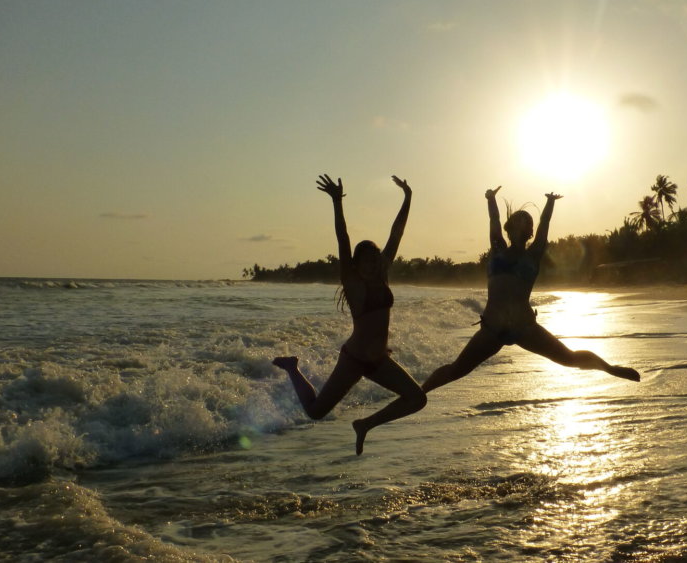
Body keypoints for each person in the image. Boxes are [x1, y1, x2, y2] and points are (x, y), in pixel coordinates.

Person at [421, 186, 640, 394]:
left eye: (528, 223)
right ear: (510, 227)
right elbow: (494, 220)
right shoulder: (497, 248)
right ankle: (419, 393)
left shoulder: (533, 254)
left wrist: (550, 202)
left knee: (569, 358)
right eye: (520, 220)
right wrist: (491, 199)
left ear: (530, 231)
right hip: (491, 329)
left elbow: (545, 223)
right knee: (456, 370)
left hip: (525, 327)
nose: (524, 224)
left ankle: (609, 368)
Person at [272, 174, 426, 455]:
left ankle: (365, 424)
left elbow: (397, 232)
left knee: (417, 398)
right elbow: (342, 237)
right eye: (364, 261)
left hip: (379, 360)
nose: (370, 264)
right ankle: (293, 368)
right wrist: (336, 202)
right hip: (354, 360)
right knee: (316, 412)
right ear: (356, 263)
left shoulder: (382, 275)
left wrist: (407, 196)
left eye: (374, 259)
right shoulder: (353, 283)